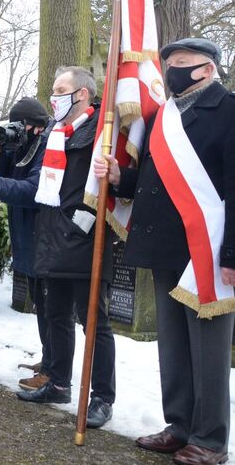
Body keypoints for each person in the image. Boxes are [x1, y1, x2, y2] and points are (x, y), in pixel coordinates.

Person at [95, 38, 235, 464]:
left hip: (207, 249)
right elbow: (150, 183)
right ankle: (179, 425)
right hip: (164, 245)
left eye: (182, 62)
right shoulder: (162, 116)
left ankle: (210, 439)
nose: (172, 69)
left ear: (207, 69)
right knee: (172, 344)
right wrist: (120, 177)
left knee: (208, 349)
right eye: (169, 62)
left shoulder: (229, 111)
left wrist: (232, 254)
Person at [16, 66, 115, 430]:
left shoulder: (101, 132)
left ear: (82, 94)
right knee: (56, 315)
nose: (53, 97)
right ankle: (58, 383)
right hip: (52, 236)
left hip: (85, 239)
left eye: (60, 90)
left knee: (94, 323)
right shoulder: (55, 133)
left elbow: (104, 189)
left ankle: (102, 397)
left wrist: (81, 224)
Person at [0, 97, 51, 390]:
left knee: (51, 309)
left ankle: (54, 369)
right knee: (40, 304)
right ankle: (49, 358)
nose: (17, 129)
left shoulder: (47, 145)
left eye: (21, 124)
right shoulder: (21, 146)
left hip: (44, 236)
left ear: (37, 127)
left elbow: (34, 189)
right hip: (26, 236)